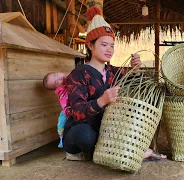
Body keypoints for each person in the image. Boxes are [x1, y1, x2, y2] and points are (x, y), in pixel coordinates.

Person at [63, 6, 166, 161]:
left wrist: (136, 70)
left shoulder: (113, 72)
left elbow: (136, 84)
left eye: (112, 45)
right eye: (104, 44)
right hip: (81, 129)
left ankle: (113, 150)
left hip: (107, 130)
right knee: (84, 136)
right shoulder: (79, 73)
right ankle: (124, 150)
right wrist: (101, 101)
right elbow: (76, 112)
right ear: (90, 45)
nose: (109, 49)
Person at [43, 72, 69, 148]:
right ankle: (62, 138)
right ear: (57, 87)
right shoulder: (61, 90)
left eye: (56, 75)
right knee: (61, 122)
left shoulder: (72, 76)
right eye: (56, 82)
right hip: (66, 110)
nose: (59, 78)